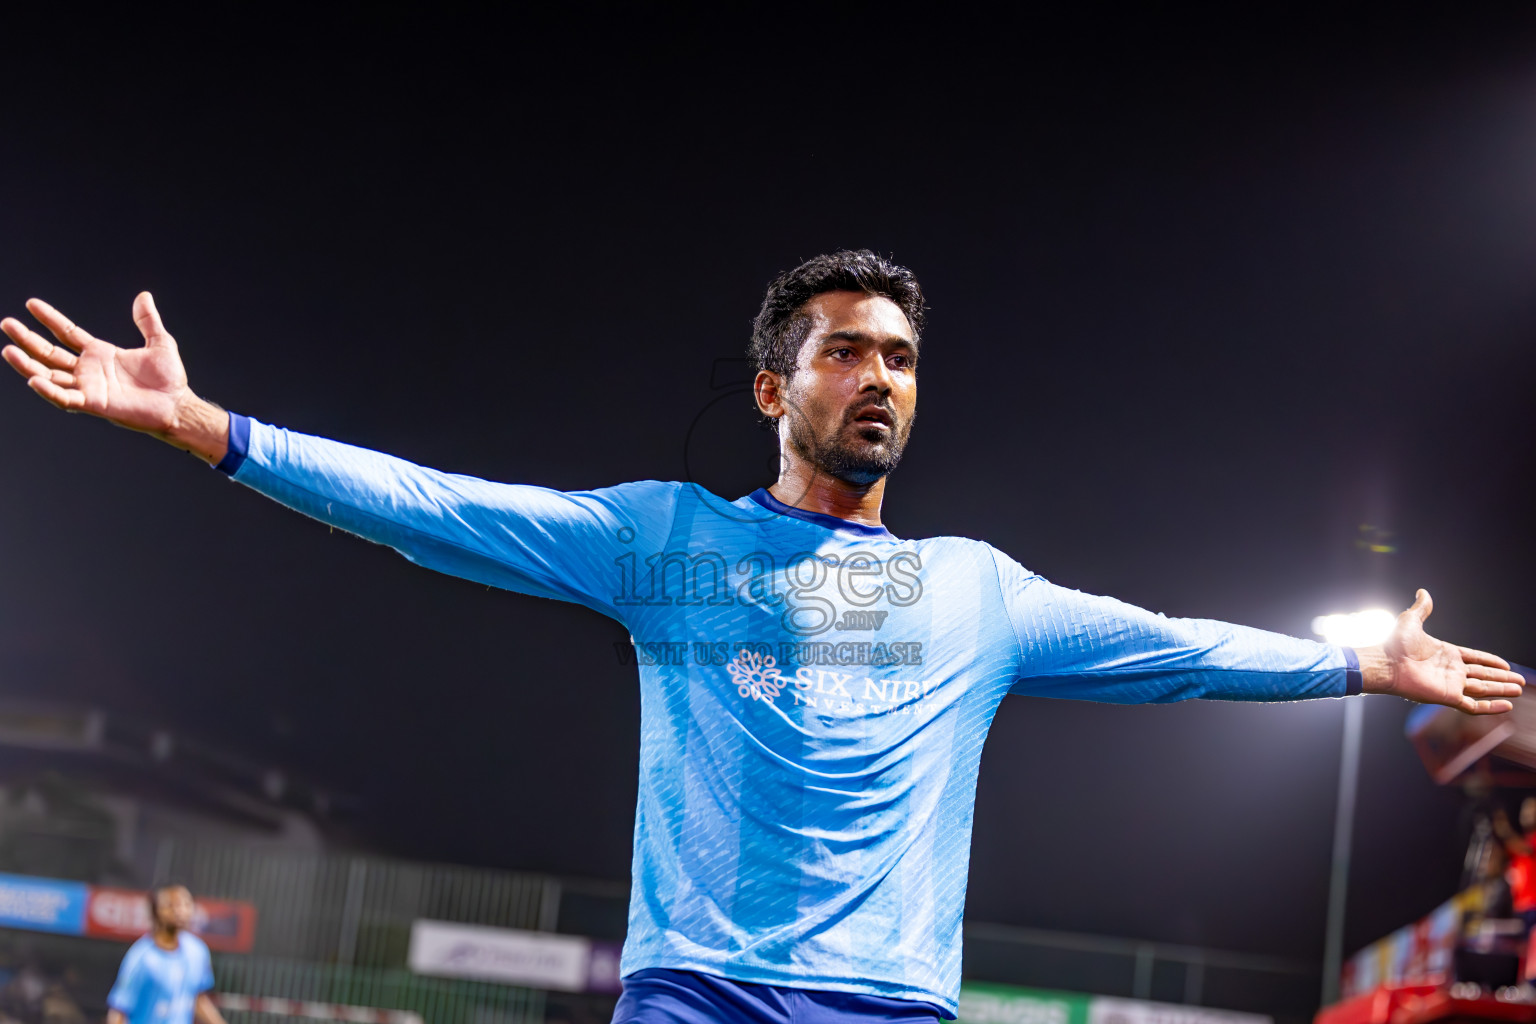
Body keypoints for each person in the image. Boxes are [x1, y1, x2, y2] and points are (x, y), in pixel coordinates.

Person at [2, 251, 1523, 1024]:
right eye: (848, 350)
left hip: (893, 1003)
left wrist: (1356, 664)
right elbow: (436, 508)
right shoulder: (665, 542)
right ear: (772, 389)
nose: (882, 379)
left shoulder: (977, 593)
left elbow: (1181, 647)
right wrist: (213, 429)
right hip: (700, 991)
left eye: (905, 359)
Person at [103, 886, 225, 1024]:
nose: (180, 911)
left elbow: (197, 998)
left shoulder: (197, 951)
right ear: (155, 910)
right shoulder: (140, 957)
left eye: (185, 904)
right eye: (171, 905)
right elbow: (118, 1011)